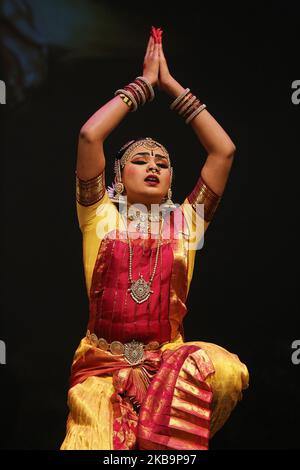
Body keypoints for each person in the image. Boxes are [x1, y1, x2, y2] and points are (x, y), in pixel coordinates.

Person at [60, 26, 249, 451]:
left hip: (167, 368)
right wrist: (143, 88)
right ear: (118, 178)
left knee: (227, 370)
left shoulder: (187, 221)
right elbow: (91, 135)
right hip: (101, 370)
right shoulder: (98, 216)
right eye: (139, 160)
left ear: (169, 182)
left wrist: (173, 87)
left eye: (162, 163)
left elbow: (224, 151)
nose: (152, 166)